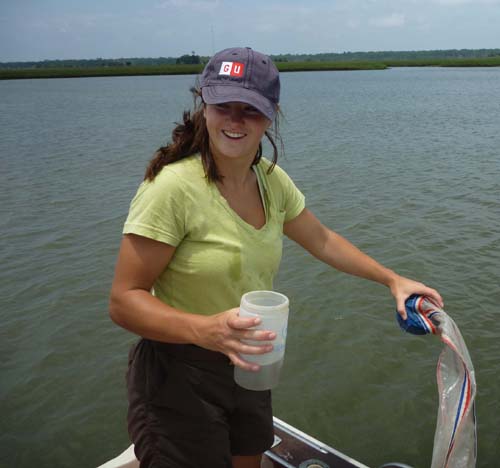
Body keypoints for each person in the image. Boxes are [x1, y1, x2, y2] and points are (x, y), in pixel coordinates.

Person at [109, 47, 443, 468]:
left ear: (270, 116)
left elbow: (321, 239)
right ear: (204, 107)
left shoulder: (270, 180)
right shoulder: (171, 189)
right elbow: (124, 300)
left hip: (251, 360)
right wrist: (206, 330)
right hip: (178, 371)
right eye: (222, 105)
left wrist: (392, 279)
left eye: (249, 109)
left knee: (249, 457)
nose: (235, 120)